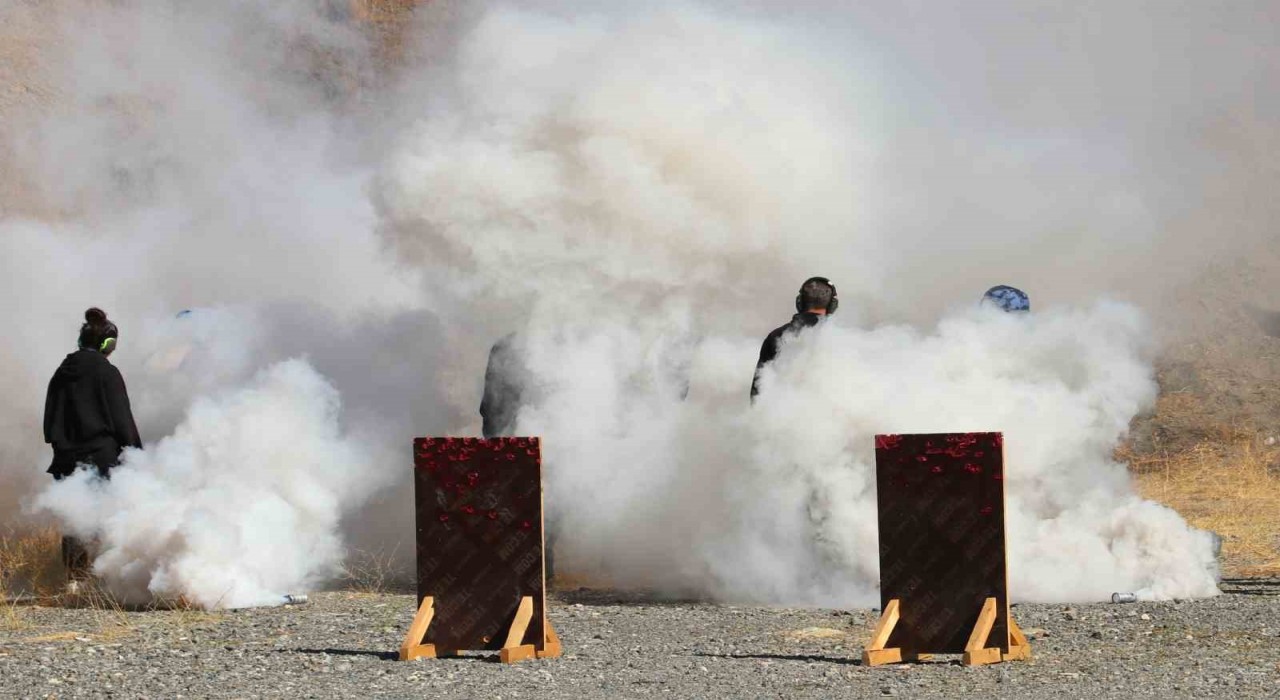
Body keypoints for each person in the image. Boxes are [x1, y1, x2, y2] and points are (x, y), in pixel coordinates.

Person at [43, 307, 142, 582]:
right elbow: (122, 420)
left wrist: (60, 446)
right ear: (107, 344)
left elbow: (50, 419)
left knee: (75, 517)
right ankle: (104, 579)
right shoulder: (107, 372)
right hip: (101, 456)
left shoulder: (61, 372)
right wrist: (136, 453)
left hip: (65, 456)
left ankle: (74, 580)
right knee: (104, 516)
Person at [751, 276, 838, 401]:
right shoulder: (839, 338)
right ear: (832, 305)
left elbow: (759, 389)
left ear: (800, 302)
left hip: (780, 415)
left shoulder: (776, 336)